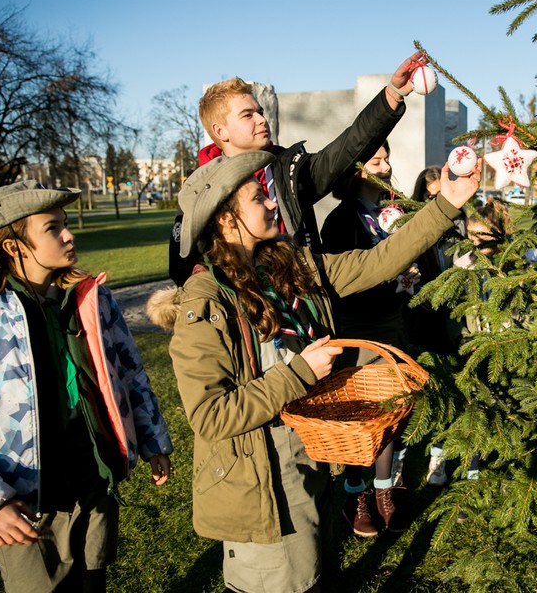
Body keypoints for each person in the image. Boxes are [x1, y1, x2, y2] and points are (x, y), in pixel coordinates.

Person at [147, 150, 480, 592]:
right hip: (261, 487)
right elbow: (210, 416)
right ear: (226, 221)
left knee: (315, 576)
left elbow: (377, 261)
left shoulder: (288, 266)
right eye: (257, 197)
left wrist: (446, 205)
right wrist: (300, 371)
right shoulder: (206, 303)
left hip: (311, 464)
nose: (271, 203)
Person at [0, 181, 173, 593]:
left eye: (66, 224)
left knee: (92, 581)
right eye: (52, 228)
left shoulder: (91, 297)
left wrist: (153, 438)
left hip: (92, 475)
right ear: (14, 246)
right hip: (25, 498)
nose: (68, 235)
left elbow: (130, 370)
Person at [168, 52, 424, 286]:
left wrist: (391, 96)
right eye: (248, 115)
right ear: (219, 131)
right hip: (249, 309)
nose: (261, 119)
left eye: (260, 111)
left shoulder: (291, 170)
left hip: (303, 301)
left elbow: (347, 148)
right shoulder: (199, 188)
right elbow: (182, 263)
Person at [319, 142, 420, 537]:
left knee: (391, 411)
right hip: (358, 328)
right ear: (357, 169)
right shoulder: (342, 220)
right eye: (377, 160)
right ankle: (355, 495)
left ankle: (384, 493)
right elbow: (342, 282)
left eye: (388, 156)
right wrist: (388, 281)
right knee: (360, 416)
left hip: (392, 322)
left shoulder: (391, 212)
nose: (388, 165)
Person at [405, 166, 467, 487]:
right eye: (430, 198)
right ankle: (403, 459)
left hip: (453, 318)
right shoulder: (413, 229)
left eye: (442, 197)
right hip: (422, 319)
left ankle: (438, 458)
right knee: (423, 390)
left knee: (451, 386)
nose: (438, 206)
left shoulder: (461, 226)